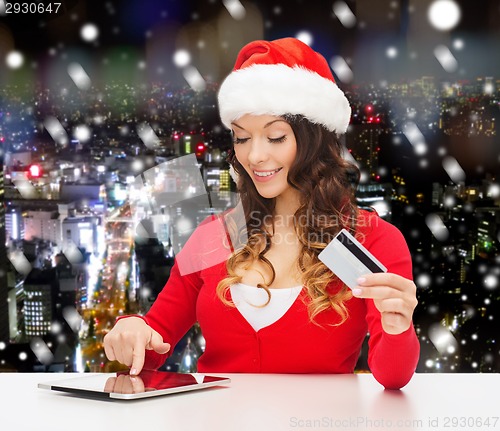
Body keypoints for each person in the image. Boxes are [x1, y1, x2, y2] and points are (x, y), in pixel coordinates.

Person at [104, 37, 419, 390]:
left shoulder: (372, 240)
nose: (254, 156)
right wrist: (132, 330)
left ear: (315, 139)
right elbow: (155, 340)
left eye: (275, 137)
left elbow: (392, 376)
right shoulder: (212, 236)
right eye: (241, 138)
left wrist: (397, 327)